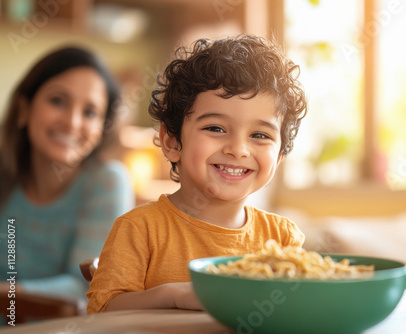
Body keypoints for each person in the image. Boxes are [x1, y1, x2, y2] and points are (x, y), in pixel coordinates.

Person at [86, 34, 308, 313]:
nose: (238, 149)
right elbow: (102, 312)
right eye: (216, 128)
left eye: (260, 135)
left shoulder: (282, 238)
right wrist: (172, 295)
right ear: (172, 142)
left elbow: (296, 311)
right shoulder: (139, 229)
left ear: (279, 156)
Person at [0, 46, 135, 305]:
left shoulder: (107, 182)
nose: (73, 122)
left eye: (90, 112)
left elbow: (86, 287)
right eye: (58, 101)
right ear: (24, 108)